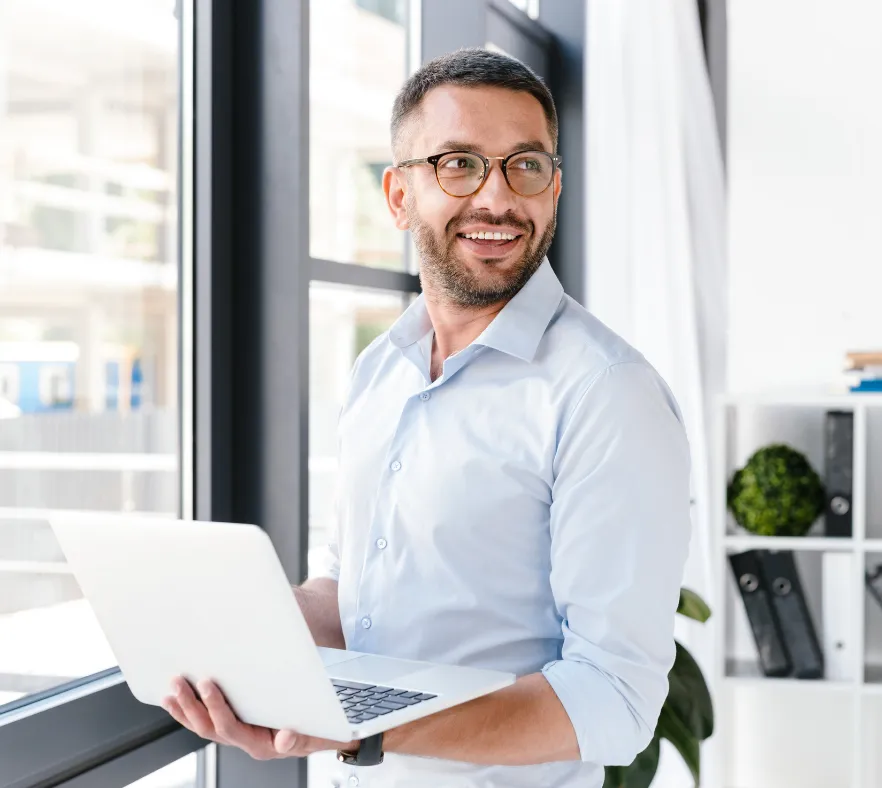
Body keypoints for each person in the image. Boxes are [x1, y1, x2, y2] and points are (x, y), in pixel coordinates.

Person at [162, 47, 692, 788]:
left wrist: (364, 727)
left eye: (525, 165)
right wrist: (241, 628)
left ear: (555, 187)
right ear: (399, 195)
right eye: (459, 164)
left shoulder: (606, 394)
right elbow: (352, 595)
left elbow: (617, 701)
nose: (497, 199)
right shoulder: (379, 371)